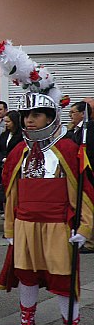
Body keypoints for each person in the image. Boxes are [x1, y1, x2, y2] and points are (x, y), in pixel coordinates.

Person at [0, 40, 93, 325]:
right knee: (26, 275)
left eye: (36, 115)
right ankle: (26, 324)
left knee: (64, 283)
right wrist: (9, 226)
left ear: (50, 116)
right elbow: (11, 193)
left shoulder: (68, 149)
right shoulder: (18, 152)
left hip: (58, 228)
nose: (29, 121)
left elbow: (86, 192)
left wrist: (85, 227)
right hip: (24, 225)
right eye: (26, 116)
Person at [67, 101, 94, 254]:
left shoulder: (89, 128)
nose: (70, 115)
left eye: (73, 112)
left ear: (83, 114)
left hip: (88, 172)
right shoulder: (75, 130)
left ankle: (90, 241)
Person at [0, 111, 23, 210]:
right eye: (5, 121)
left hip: (15, 167)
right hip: (3, 165)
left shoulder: (21, 135)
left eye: (8, 121)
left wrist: (10, 159)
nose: (6, 124)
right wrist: (2, 158)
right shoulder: (4, 135)